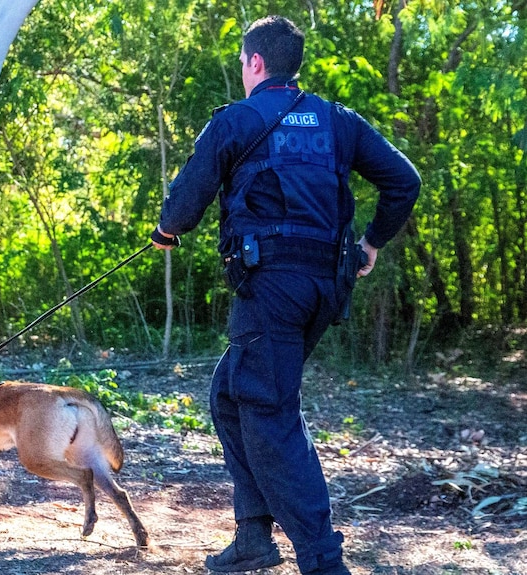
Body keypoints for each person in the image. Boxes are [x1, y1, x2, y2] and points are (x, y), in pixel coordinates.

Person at [150, 15, 420, 575]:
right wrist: (369, 244)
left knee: (269, 412)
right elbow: (403, 180)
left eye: (242, 62)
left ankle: (323, 561)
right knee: (231, 394)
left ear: (253, 63)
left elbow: (182, 205)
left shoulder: (235, 121)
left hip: (271, 288)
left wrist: (167, 231)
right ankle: (253, 536)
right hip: (324, 287)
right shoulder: (337, 121)